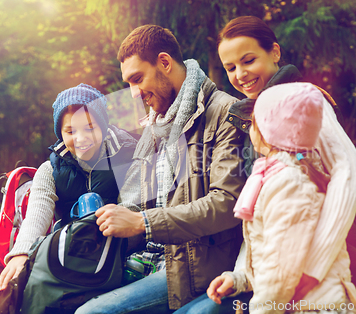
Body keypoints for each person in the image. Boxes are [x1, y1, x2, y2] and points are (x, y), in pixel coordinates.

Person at [174, 16, 356, 313]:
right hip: (284, 278)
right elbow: (262, 218)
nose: (240, 74)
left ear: (275, 53)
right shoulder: (256, 118)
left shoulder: (305, 104)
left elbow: (350, 174)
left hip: (326, 279)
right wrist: (240, 274)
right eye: (230, 67)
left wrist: (313, 268)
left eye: (248, 60)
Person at [74, 25, 246, 314]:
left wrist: (143, 222)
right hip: (150, 258)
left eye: (137, 79)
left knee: (91, 313)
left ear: (165, 63)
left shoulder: (226, 114)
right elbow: (135, 203)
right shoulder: (156, 125)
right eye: (128, 83)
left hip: (192, 267)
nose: (133, 94)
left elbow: (226, 204)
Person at [208, 82, 356, 314]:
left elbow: (280, 271)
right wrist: (239, 279)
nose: (249, 128)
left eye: (254, 122)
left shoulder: (289, 184)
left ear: (269, 131)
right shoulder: (276, 176)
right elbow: (272, 250)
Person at [0, 83, 137, 291]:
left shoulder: (127, 157)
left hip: (119, 253)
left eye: (90, 127)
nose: (81, 138)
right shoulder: (50, 170)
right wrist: (21, 252)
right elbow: (37, 213)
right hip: (70, 256)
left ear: (103, 127)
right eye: (70, 131)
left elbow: (133, 209)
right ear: (60, 133)